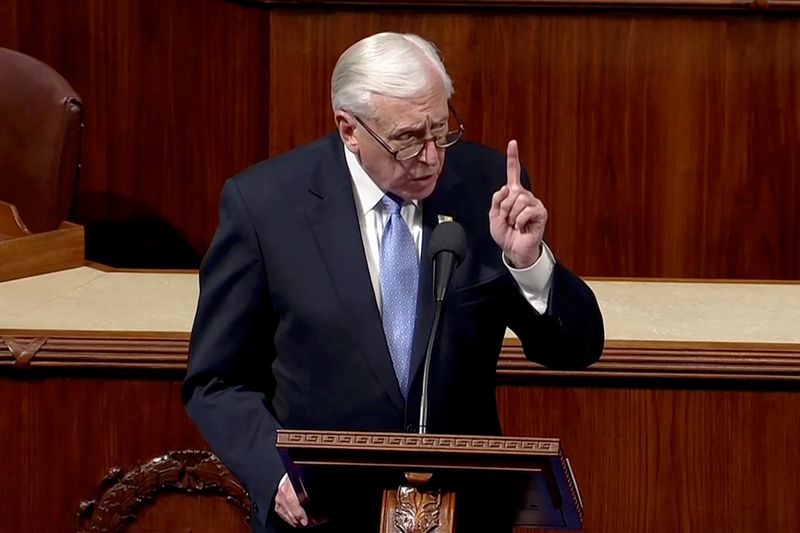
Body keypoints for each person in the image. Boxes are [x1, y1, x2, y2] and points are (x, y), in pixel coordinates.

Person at [183, 31, 604, 533]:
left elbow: (574, 348)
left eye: (442, 131)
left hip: (461, 513)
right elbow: (216, 380)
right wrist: (275, 476)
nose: (431, 156)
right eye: (408, 138)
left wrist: (530, 262)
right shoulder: (266, 206)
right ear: (348, 128)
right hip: (321, 516)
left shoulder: (486, 187)